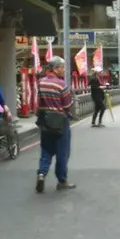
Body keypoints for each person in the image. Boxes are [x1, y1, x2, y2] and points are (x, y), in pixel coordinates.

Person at [36, 57, 76, 193]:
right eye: (62, 67)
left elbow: (39, 103)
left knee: (46, 150)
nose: (63, 70)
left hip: (46, 120)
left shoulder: (40, 82)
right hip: (60, 121)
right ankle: (62, 180)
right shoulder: (61, 84)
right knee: (62, 153)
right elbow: (66, 105)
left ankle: (41, 174)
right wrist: (72, 102)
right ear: (55, 68)